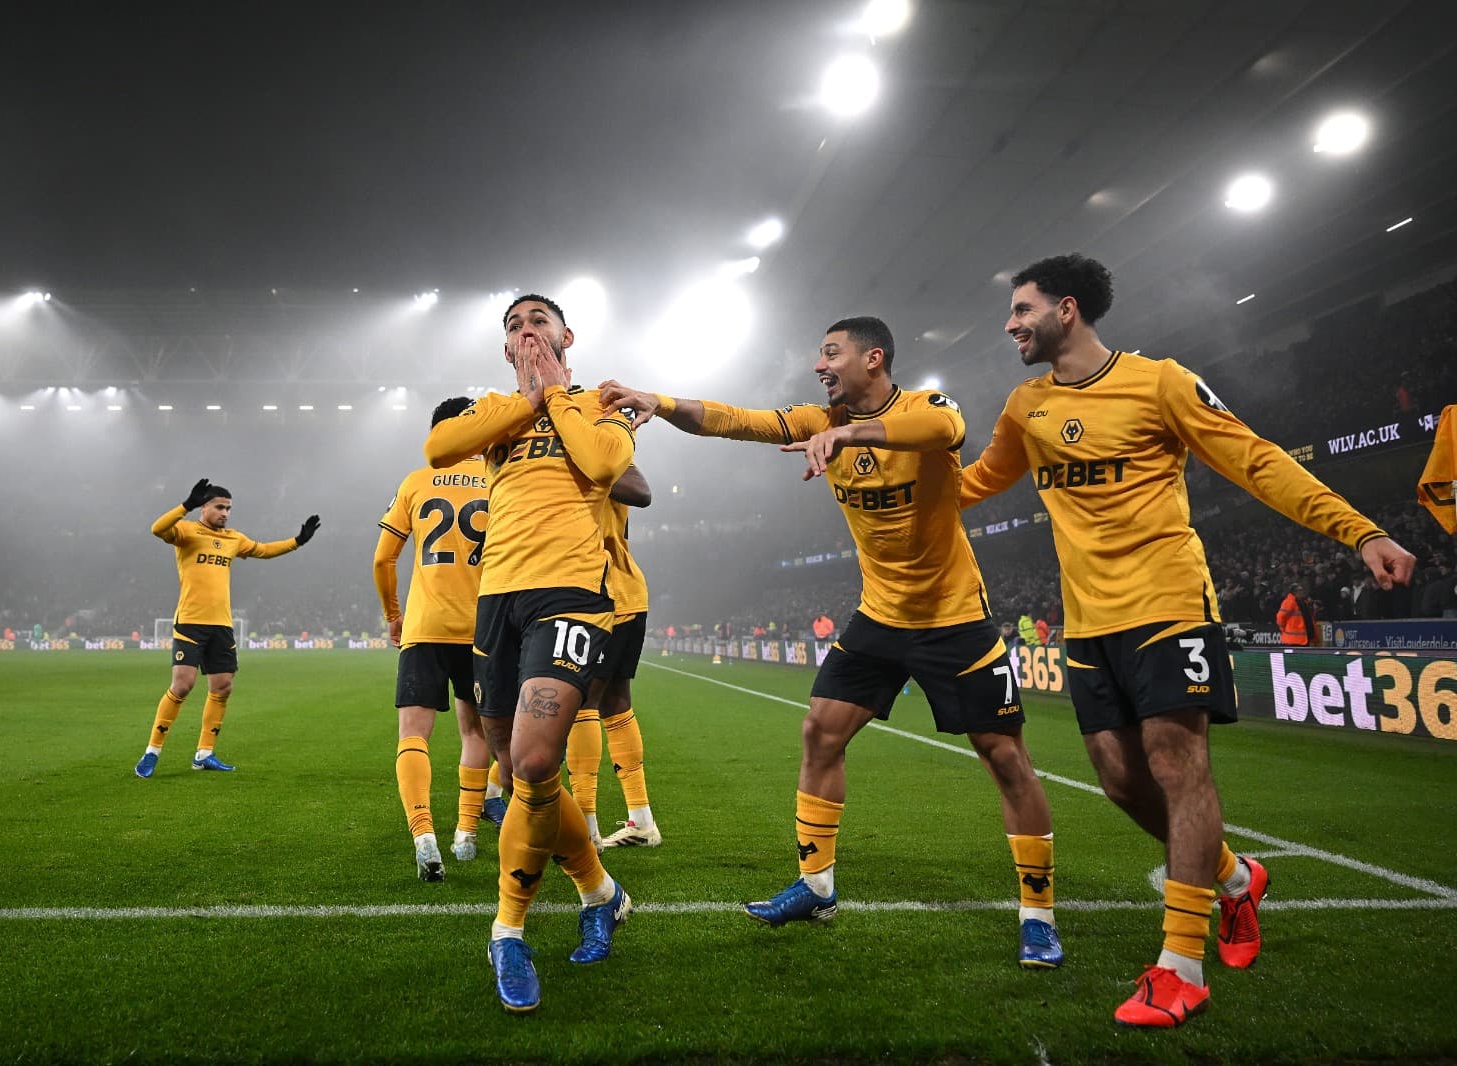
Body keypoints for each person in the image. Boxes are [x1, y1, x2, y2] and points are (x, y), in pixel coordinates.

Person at [962, 252, 1415, 1027]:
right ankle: (1236, 879)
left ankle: (1181, 968)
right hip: (1088, 621)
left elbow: (1255, 460)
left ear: (1066, 310)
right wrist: (875, 464)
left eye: (1022, 309)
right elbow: (971, 486)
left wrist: (1358, 530)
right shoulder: (1025, 407)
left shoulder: (1161, 382)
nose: (1010, 324)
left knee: (1177, 763)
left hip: (1169, 603)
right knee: (1118, 778)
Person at [602, 315, 1064, 969]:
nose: (820, 366)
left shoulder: (922, 409)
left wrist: (848, 432)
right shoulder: (820, 420)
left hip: (954, 618)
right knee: (820, 732)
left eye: (831, 353)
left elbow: (947, 430)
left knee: (1006, 759)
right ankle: (817, 887)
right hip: (879, 618)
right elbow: (738, 420)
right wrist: (660, 401)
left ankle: (1039, 915)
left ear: (873, 358)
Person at [424, 293, 634, 1013]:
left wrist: (555, 396)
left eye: (537, 321)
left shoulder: (600, 402)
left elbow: (607, 466)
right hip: (497, 597)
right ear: (505, 350)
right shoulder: (491, 409)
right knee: (521, 778)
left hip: (569, 593)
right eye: (513, 327)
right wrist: (525, 399)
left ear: (566, 334)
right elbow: (437, 448)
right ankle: (600, 892)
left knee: (540, 760)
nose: (526, 331)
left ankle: (507, 932)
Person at [373, 396, 495, 881]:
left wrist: (394, 616)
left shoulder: (416, 481)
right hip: (483, 626)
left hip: (425, 626)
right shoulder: (497, 477)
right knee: (476, 732)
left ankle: (424, 834)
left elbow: (383, 560)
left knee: (413, 736)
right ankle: (465, 834)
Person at [134, 480, 319, 777]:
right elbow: (157, 529)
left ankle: (204, 753)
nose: (225, 513)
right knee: (182, 685)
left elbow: (265, 550)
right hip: (191, 622)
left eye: (229, 508)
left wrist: (297, 541)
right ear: (204, 507)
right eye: (219, 507)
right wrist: (185, 505)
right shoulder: (186, 532)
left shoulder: (234, 539)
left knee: (222, 687)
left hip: (221, 624)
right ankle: (152, 752)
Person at [566, 466, 663, 850]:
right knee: (615, 704)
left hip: (599, 594)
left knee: (582, 702)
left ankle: (586, 829)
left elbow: (641, 491)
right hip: (619, 591)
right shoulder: (603, 449)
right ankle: (642, 820)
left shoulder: (598, 450)